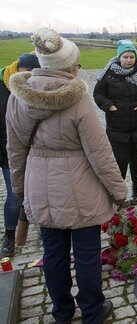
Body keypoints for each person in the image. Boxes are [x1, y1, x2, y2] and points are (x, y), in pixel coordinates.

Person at [6, 27, 125, 323]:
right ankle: (93, 312)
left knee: (53, 255)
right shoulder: (78, 99)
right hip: (81, 192)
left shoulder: (17, 98)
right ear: (70, 66)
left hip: (40, 189)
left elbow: (15, 152)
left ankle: (62, 311)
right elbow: (100, 155)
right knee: (86, 257)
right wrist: (119, 192)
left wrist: (21, 191)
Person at [93, 40, 137, 206]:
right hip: (117, 128)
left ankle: (136, 189)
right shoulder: (108, 75)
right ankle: (119, 193)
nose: (128, 60)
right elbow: (98, 95)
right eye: (125, 56)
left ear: (135, 58)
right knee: (120, 161)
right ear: (119, 57)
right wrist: (109, 106)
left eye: (131, 56)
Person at [0, 53, 40, 257]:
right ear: (18, 69)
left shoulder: (36, 88)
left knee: (40, 191)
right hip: (8, 151)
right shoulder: (3, 87)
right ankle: (9, 235)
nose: (31, 75)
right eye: (27, 71)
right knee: (15, 196)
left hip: (34, 150)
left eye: (35, 72)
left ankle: (43, 226)